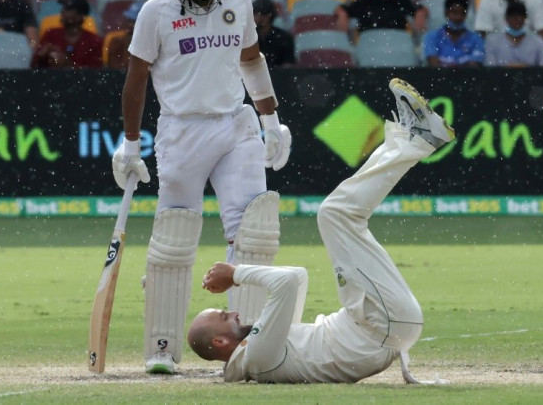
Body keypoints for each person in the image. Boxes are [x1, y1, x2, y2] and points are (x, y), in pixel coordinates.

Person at [189, 78, 456, 384]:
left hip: (366, 321)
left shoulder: (261, 345)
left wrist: (241, 277)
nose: (234, 314)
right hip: (384, 325)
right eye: (224, 318)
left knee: (337, 214)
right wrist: (234, 274)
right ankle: (419, 140)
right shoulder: (256, 356)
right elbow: (287, 281)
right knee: (335, 214)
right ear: (220, 343)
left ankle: (414, 139)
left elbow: (299, 277)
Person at [112, 0, 292, 375]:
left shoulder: (239, 0)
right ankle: (162, 348)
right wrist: (131, 142)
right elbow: (136, 79)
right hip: (182, 130)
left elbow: (251, 60)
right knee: (174, 238)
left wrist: (270, 119)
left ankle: (250, 343)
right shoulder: (156, 12)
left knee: (255, 230)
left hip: (235, 124)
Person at [31, 0, 102, 68]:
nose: (62, 11)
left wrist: (67, 63)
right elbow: (34, 65)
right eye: (63, 8)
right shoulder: (50, 34)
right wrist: (42, 55)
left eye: (68, 9)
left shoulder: (94, 41)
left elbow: (95, 72)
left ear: (80, 15)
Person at [422, 0, 484, 67]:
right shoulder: (432, 37)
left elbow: (474, 66)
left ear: (466, 15)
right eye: (454, 13)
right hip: (440, 77)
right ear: (446, 13)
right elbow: (434, 64)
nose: (458, 17)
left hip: (467, 78)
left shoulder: (476, 39)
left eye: (462, 14)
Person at [485, 1, 543, 67]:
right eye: (512, 16)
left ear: (525, 18)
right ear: (506, 18)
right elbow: (490, 68)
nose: (516, 19)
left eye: (519, 16)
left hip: (531, 77)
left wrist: (526, 69)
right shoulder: (492, 41)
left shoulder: (538, 41)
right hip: (500, 77)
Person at [252, 0, 295, 69]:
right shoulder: (248, 37)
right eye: (253, 13)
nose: (255, 17)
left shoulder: (284, 38)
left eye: (259, 13)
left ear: (269, 16)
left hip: (278, 79)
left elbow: (288, 69)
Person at [105, 0, 143, 70]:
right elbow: (115, 71)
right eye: (129, 20)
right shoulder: (117, 43)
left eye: (134, 21)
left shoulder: (156, 45)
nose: (130, 24)